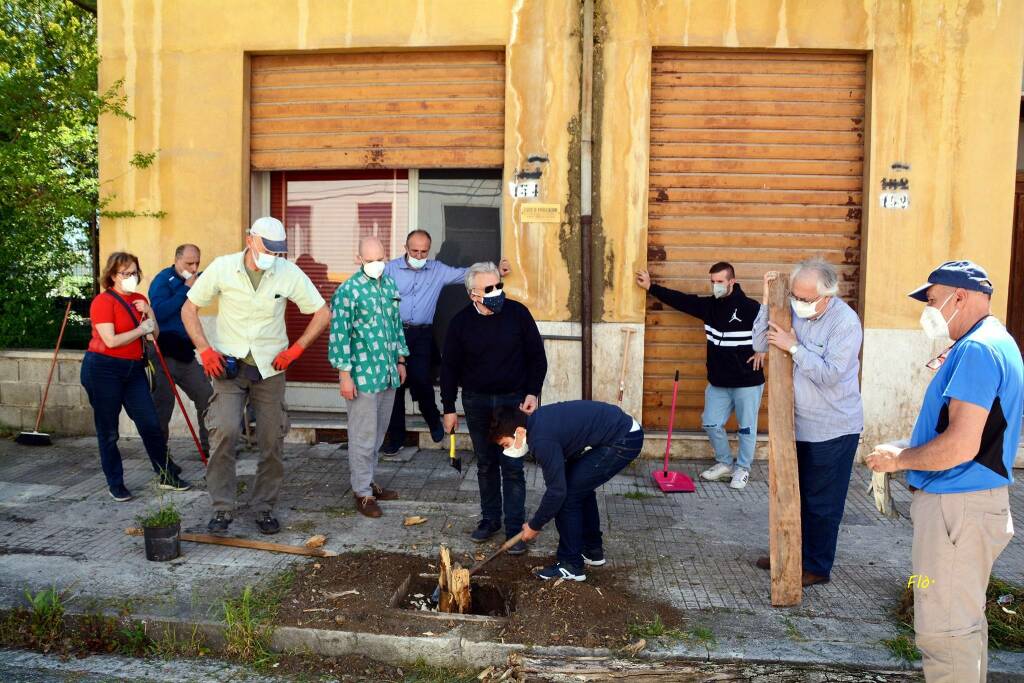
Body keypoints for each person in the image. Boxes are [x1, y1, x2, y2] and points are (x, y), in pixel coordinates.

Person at [866, 261, 1019, 683]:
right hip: (968, 507)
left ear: (960, 297)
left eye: (932, 301)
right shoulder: (993, 342)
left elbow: (961, 444)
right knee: (961, 627)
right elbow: (965, 432)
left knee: (945, 633)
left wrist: (901, 460)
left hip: (957, 509)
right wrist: (908, 446)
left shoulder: (976, 350)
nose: (928, 312)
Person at [182, 217, 329, 535]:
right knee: (224, 431)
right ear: (250, 240)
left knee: (271, 438)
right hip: (228, 367)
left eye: (278, 252)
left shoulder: (287, 272)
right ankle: (222, 508)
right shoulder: (223, 268)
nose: (272, 257)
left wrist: (297, 349)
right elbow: (188, 308)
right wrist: (205, 350)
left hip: (270, 368)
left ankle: (263, 507)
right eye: (267, 249)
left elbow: (321, 312)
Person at [752, 258, 863, 587]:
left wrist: (795, 347)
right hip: (792, 425)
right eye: (794, 296)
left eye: (805, 299)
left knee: (821, 503)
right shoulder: (788, 308)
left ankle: (816, 566)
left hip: (833, 428)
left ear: (828, 296)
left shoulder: (845, 323)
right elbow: (759, 344)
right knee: (789, 495)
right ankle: (788, 553)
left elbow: (830, 375)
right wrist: (767, 302)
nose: (797, 304)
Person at [440, 262, 547, 555]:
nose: (497, 292)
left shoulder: (518, 314)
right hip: (476, 402)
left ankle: (515, 529)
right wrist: (448, 407)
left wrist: (532, 392)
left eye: (499, 285)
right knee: (485, 464)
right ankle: (490, 520)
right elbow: (448, 368)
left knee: (512, 466)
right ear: (473, 294)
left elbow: (537, 357)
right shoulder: (460, 323)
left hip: (513, 402)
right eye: (489, 289)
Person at [637, 262, 765, 489]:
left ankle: (742, 469)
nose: (715, 286)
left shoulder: (750, 307)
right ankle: (725, 463)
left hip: (747, 381)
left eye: (720, 282)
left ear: (731, 282)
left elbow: (773, 325)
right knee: (711, 423)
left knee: (746, 428)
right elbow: (682, 300)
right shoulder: (709, 307)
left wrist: (763, 349)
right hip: (718, 382)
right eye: (713, 282)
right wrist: (651, 287)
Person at [380, 230, 510, 454]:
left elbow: (466, 275)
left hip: (421, 334)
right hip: (393, 332)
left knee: (421, 379)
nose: (419, 256)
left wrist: (497, 271)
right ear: (405, 248)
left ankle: (432, 418)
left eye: (423, 252)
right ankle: (396, 438)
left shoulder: (437, 270)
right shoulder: (390, 269)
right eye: (414, 251)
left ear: (429, 250)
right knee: (395, 386)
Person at [490, 400, 644, 581]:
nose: (507, 450)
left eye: (506, 445)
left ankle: (571, 565)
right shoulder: (537, 423)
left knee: (568, 497)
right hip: (622, 431)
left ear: (519, 432)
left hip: (623, 439)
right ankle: (592, 550)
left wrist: (535, 525)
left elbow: (557, 492)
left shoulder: (541, 441)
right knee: (578, 488)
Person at [80, 252, 191, 501]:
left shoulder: (140, 299)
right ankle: (115, 482)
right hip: (103, 369)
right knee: (109, 431)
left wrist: (149, 312)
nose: (131, 278)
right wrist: (140, 328)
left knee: (150, 423)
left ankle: (166, 475)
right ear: (112, 275)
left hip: (133, 370)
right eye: (125, 273)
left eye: (134, 273)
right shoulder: (103, 302)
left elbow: (155, 335)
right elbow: (110, 340)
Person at [327, 236, 409, 518]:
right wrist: (344, 375)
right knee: (362, 435)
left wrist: (400, 359)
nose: (377, 264)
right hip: (361, 375)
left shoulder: (388, 284)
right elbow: (339, 336)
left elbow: (397, 325)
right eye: (371, 260)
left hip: (387, 372)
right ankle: (361, 493)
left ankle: (369, 482)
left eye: (380, 259)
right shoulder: (348, 291)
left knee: (376, 434)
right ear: (358, 258)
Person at [148, 244, 212, 458]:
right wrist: (186, 288)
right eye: (188, 263)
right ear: (176, 260)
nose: (193, 268)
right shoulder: (162, 280)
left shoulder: (198, 278)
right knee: (163, 405)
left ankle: (210, 448)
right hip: (162, 351)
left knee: (206, 396)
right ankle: (161, 457)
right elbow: (159, 311)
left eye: (197, 263)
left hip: (185, 352)